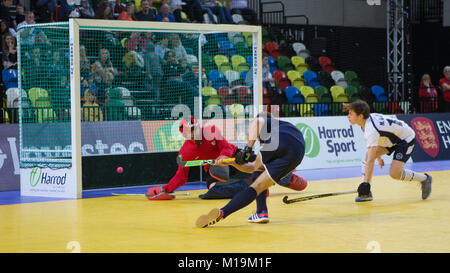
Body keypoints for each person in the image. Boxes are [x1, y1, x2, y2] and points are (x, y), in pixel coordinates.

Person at [146, 116, 307, 201]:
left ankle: (284, 176)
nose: (196, 132)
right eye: (191, 131)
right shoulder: (185, 152)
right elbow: (181, 177)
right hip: (216, 168)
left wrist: (224, 156)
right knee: (212, 189)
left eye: (196, 128)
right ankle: (251, 188)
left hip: (233, 157)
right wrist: (166, 190)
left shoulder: (211, 130)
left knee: (257, 166)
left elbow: (224, 147)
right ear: (185, 134)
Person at [196, 112, 308, 227]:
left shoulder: (267, 123)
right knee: (258, 176)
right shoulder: (285, 126)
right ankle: (256, 213)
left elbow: (257, 122)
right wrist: (231, 162)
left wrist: (247, 149)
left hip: (279, 141)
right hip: (297, 154)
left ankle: (233, 211)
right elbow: (252, 167)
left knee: (256, 182)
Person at [343, 99, 432, 202]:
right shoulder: (367, 122)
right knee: (368, 156)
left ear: (360, 116)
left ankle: (425, 179)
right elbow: (379, 138)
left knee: (394, 174)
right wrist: (379, 156)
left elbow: (371, 160)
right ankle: (366, 193)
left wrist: (366, 183)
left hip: (405, 139)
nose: (348, 116)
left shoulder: (370, 129)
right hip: (391, 137)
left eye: (350, 114)